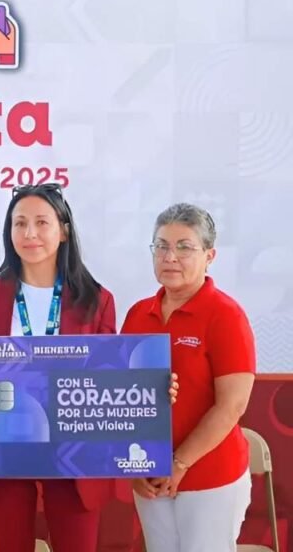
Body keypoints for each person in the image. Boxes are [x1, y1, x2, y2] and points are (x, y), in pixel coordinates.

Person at [0, 183, 116, 552]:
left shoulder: (97, 301)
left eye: (42, 222)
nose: (29, 233)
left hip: (74, 455)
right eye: (20, 223)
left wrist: (149, 387)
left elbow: (109, 381)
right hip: (4, 451)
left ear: (64, 231)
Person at [123, 203, 255, 552]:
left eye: (184, 247)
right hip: (150, 476)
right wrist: (133, 466)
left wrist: (178, 463)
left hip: (211, 477)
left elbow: (232, 406)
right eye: (161, 246)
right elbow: (121, 397)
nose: (170, 257)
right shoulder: (138, 314)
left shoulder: (226, 315)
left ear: (209, 255)